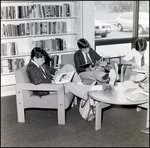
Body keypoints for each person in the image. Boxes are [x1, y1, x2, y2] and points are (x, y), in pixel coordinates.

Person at [26, 47, 117, 100]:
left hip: (52, 81)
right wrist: (52, 81)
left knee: (68, 66)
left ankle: (81, 85)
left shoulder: (38, 63)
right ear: (34, 58)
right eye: (42, 59)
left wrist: (57, 72)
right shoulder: (31, 68)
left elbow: (49, 68)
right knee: (68, 84)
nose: (44, 61)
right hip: (47, 88)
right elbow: (36, 81)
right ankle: (99, 87)